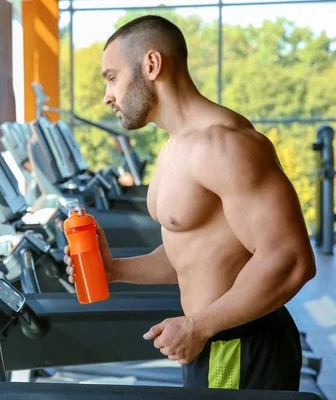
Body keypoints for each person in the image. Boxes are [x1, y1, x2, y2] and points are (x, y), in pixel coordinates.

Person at [63, 15, 316, 391]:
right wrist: (114, 269)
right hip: (213, 341)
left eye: (112, 77)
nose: (107, 96)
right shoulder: (174, 146)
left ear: (151, 65)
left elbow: (291, 260)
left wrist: (198, 325)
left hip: (238, 345)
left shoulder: (225, 144)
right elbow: (190, 256)